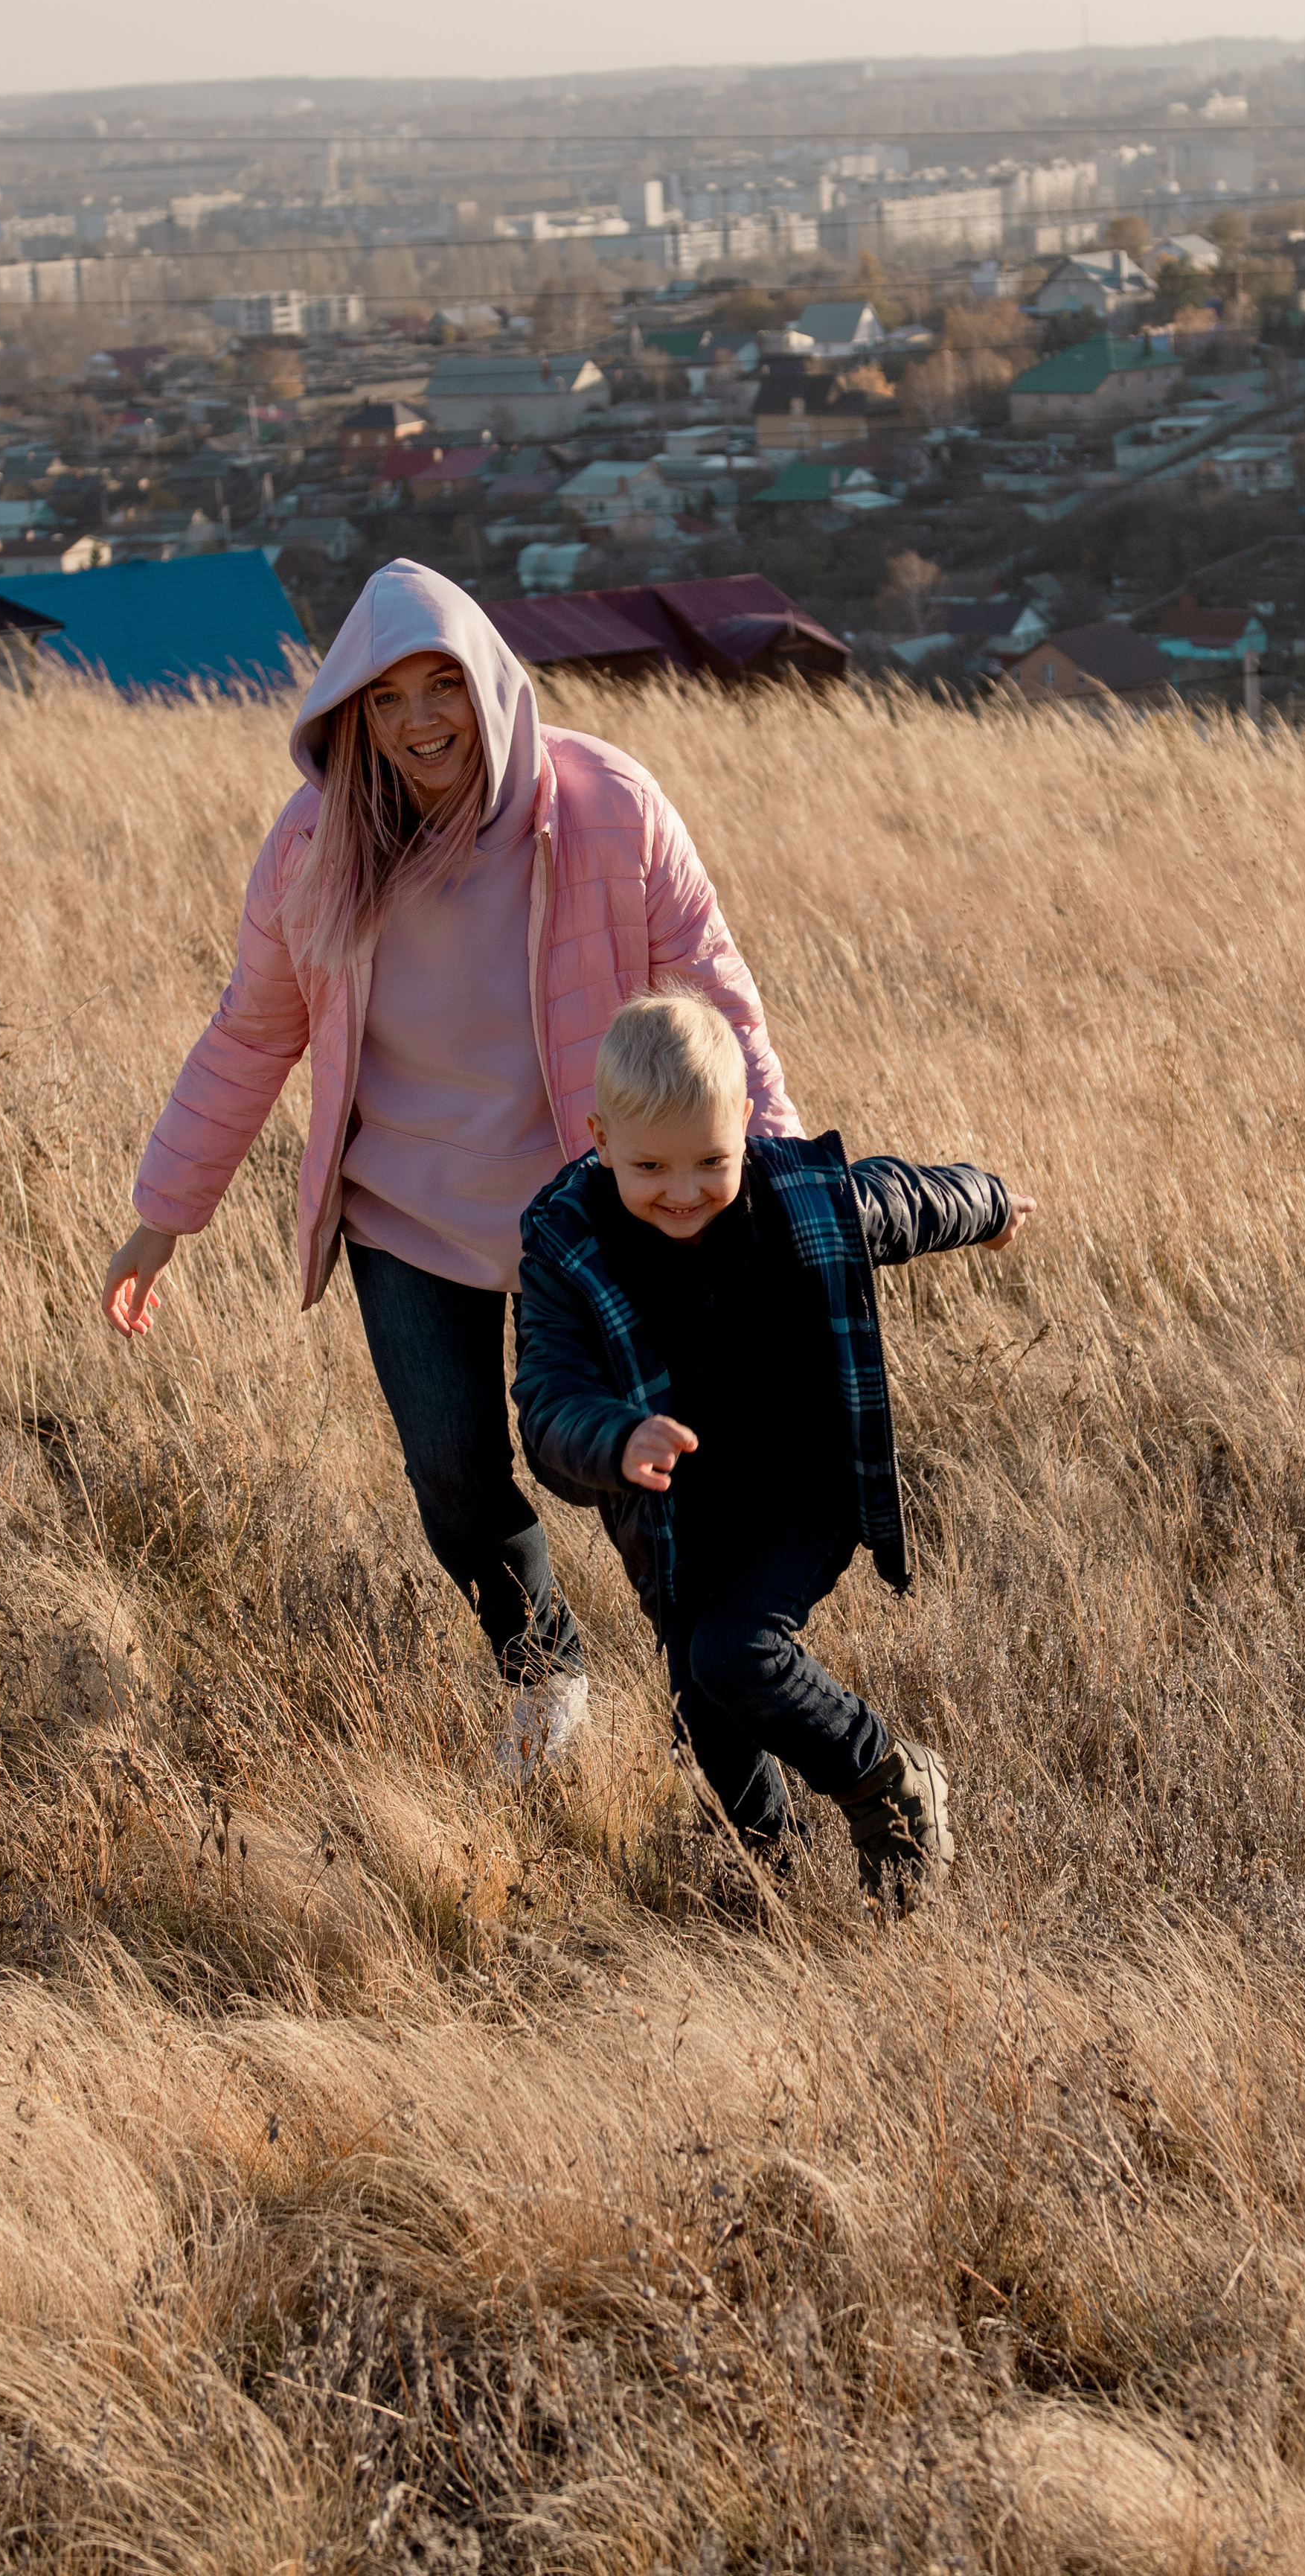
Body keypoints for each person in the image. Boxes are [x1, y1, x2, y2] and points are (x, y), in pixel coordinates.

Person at [102, 558, 804, 1772]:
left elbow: (714, 997)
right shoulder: (314, 849)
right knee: (454, 1478)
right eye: (388, 698)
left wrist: (780, 1187)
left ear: (489, 683)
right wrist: (165, 1217)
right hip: (406, 1222)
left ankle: (714, 1715)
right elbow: (252, 1035)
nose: (422, 720)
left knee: (642, 1478)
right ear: (351, 715)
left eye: (443, 687)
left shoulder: (608, 809)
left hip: (591, 1217)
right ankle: (544, 1674)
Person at [513, 991, 1035, 1900]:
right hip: (684, 1518)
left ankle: (886, 1780)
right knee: (703, 1712)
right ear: (597, 1138)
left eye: (711, 1161)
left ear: (746, 1127)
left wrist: (988, 1204)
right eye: (650, 1167)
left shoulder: (800, 1197)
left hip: (806, 1490)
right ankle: (773, 1879)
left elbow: (904, 1201)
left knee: (733, 1654)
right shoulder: (566, 1243)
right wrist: (617, 1435)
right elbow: (546, 1398)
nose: (683, 1191)